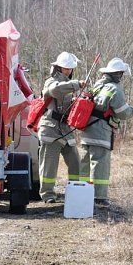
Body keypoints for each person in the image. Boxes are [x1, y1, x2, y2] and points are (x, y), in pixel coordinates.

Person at [79, 57, 133, 207]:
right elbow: (122, 113)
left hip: (86, 131)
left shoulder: (97, 85)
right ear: (118, 74)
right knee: (100, 164)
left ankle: (82, 194)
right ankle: (98, 197)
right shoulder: (115, 89)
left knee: (85, 165)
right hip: (101, 133)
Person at [38, 52, 86, 203]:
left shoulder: (68, 85)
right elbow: (55, 90)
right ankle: (48, 195)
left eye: (70, 69)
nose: (68, 71)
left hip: (65, 130)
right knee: (49, 165)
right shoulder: (51, 82)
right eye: (66, 68)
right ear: (58, 67)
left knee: (75, 162)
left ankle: (75, 190)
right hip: (50, 129)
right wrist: (76, 84)